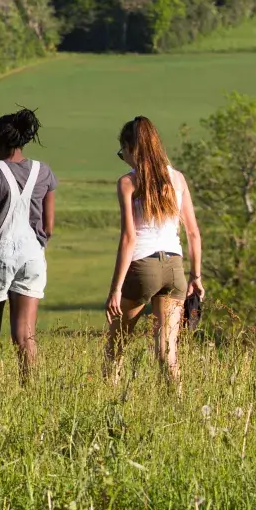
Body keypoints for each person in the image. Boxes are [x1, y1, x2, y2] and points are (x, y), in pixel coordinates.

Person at [104, 116, 203, 390]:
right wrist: (196, 277)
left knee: (116, 346)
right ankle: (178, 404)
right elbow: (193, 233)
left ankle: (107, 400)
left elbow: (128, 238)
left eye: (121, 150)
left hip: (142, 267)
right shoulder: (178, 179)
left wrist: (115, 288)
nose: (122, 157)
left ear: (131, 148)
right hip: (174, 268)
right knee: (167, 351)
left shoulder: (128, 182)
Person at [0, 108, 56, 383]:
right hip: (33, 256)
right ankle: (31, 389)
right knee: (25, 335)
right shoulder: (44, 171)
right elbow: (49, 227)